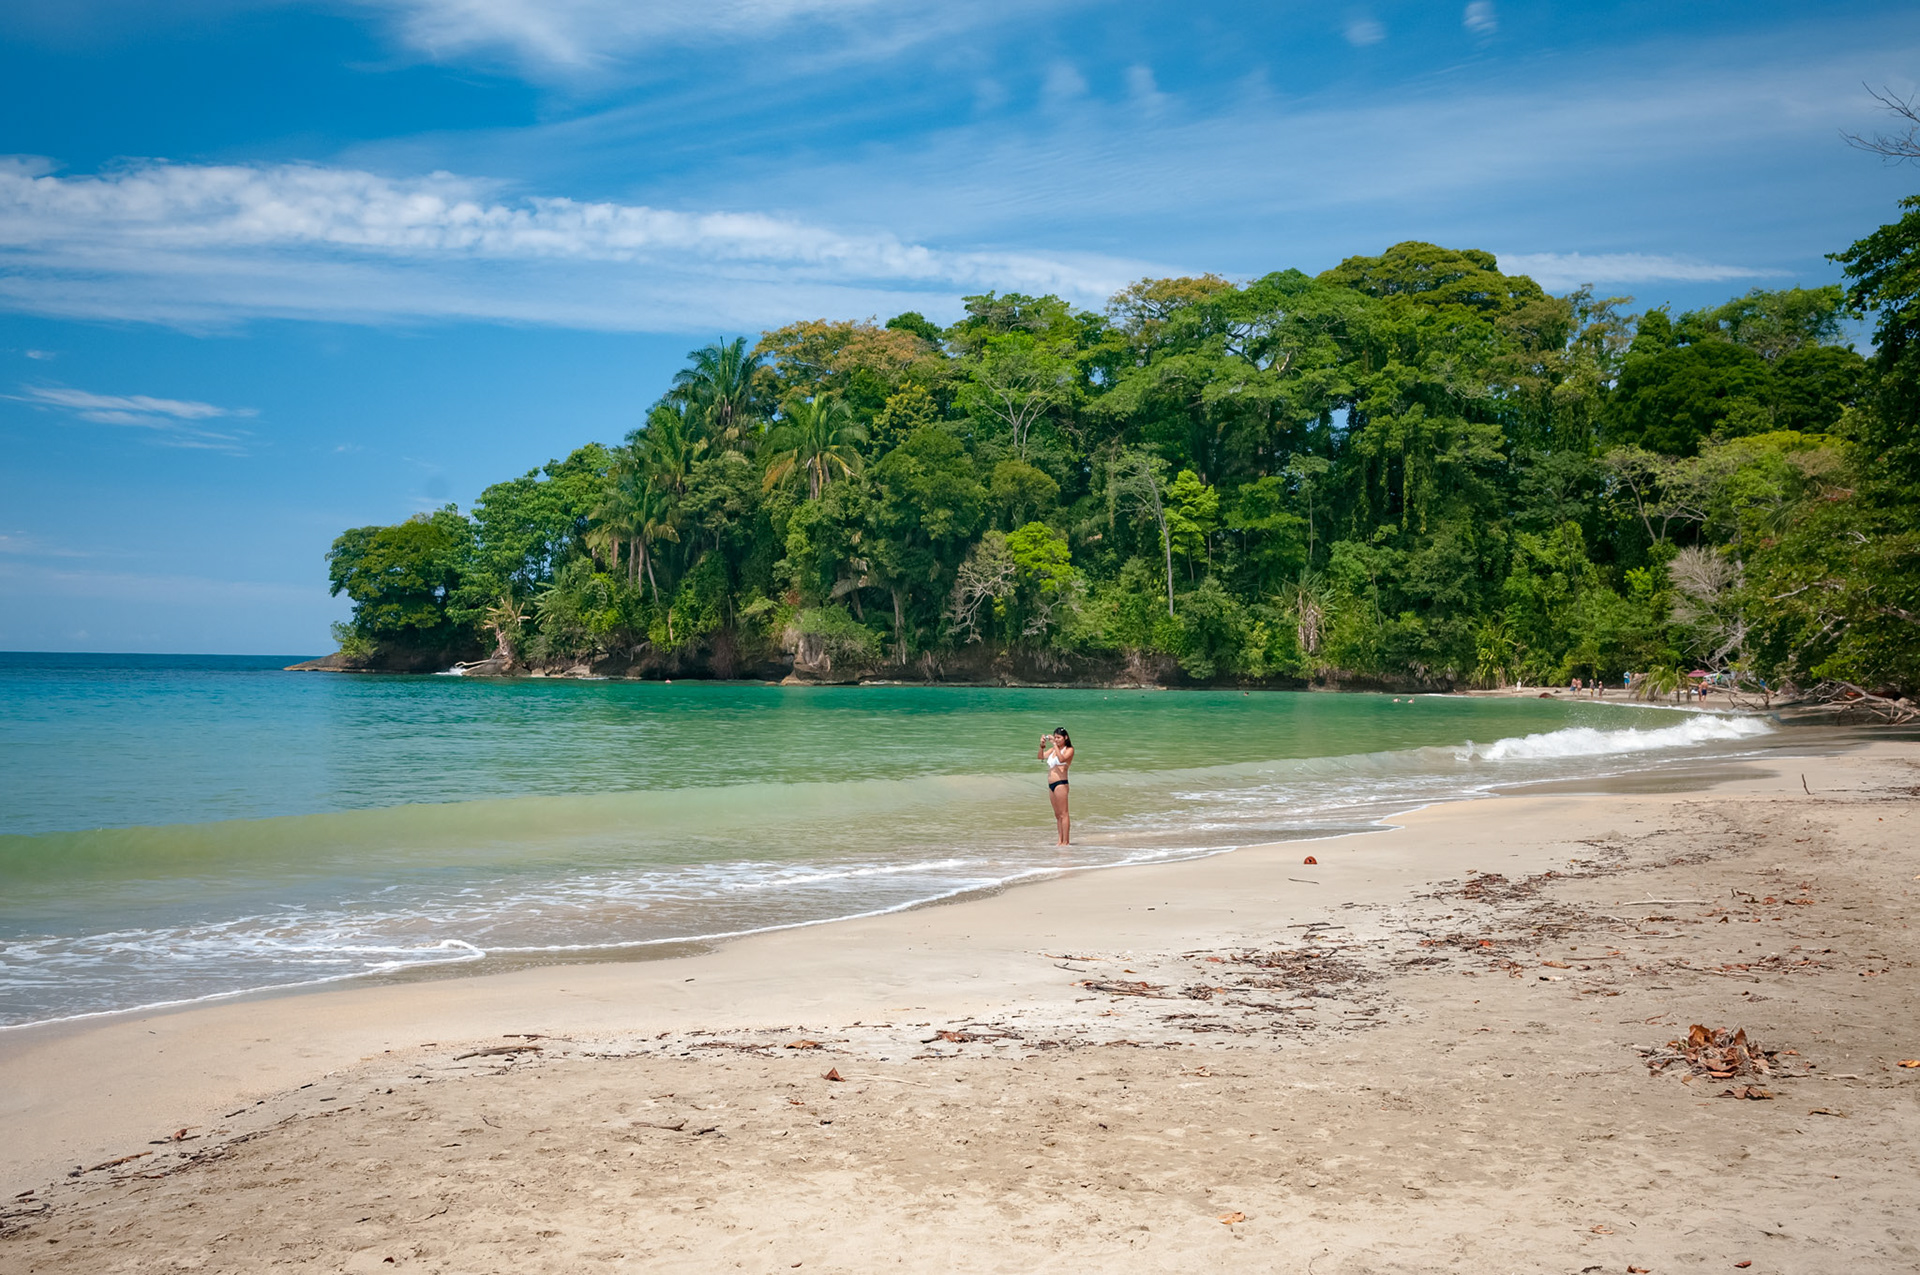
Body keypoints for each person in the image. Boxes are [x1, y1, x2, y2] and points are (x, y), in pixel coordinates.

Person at [1039, 727, 1074, 845]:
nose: (1057, 740)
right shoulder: (1053, 749)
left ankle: (1066, 841)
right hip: (1051, 784)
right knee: (1057, 814)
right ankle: (1060, 840)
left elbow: (1062, 758)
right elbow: (1040, 757)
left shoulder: (1069, 749)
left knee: (1064, 813)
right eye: (1056, 737)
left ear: (1066, 738)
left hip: (1061, 783)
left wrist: (1055, 745)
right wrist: (1042, 745)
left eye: (1059, 738)